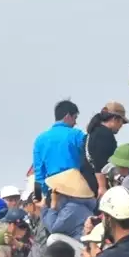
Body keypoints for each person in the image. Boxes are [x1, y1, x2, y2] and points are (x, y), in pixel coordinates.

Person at [33, 100, 96, 241]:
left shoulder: (40, 140)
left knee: (52, 236)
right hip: (76, 191)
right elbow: (89, 159)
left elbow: (38, 173)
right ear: (68, 116)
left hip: (53, 193)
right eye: (75, 118)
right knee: (80, 234)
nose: (75, 123)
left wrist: (39, 198)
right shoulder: (76, 135)